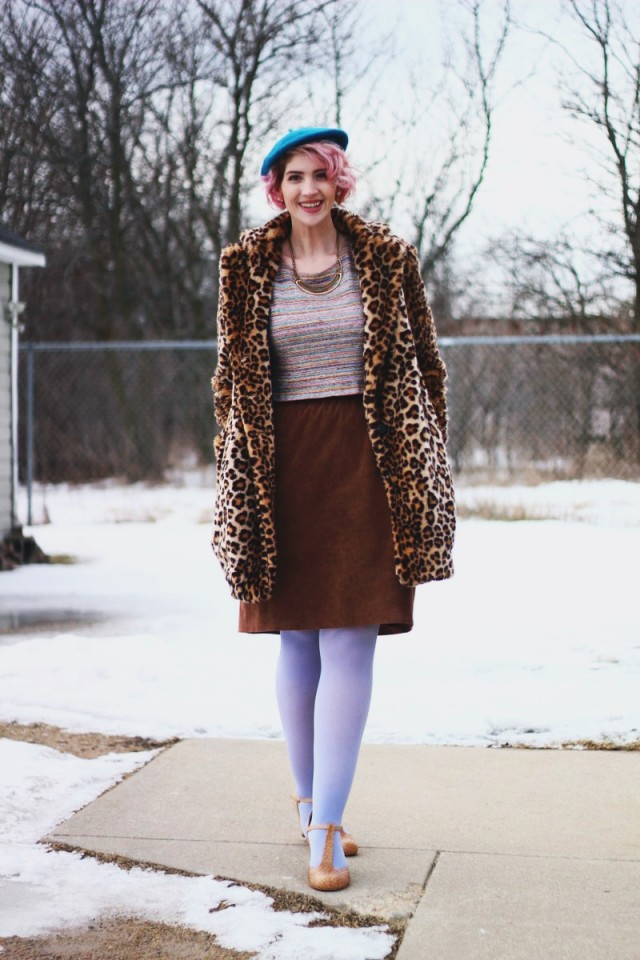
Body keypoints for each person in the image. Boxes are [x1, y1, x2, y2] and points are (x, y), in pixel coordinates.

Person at [211, 126, 455, 892]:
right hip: (282, 466)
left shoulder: (387, 258)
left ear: (339, 181)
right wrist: (236, 464)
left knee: (352, 638)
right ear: (274, 187)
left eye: (320, 174)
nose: (308, 188)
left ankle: (324, 834)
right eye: (293, 175)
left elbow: (425, 361)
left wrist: (428, 456)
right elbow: (230, 375)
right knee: (297, 638)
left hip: (369, 460)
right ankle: (312, 799)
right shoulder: (246, 267)